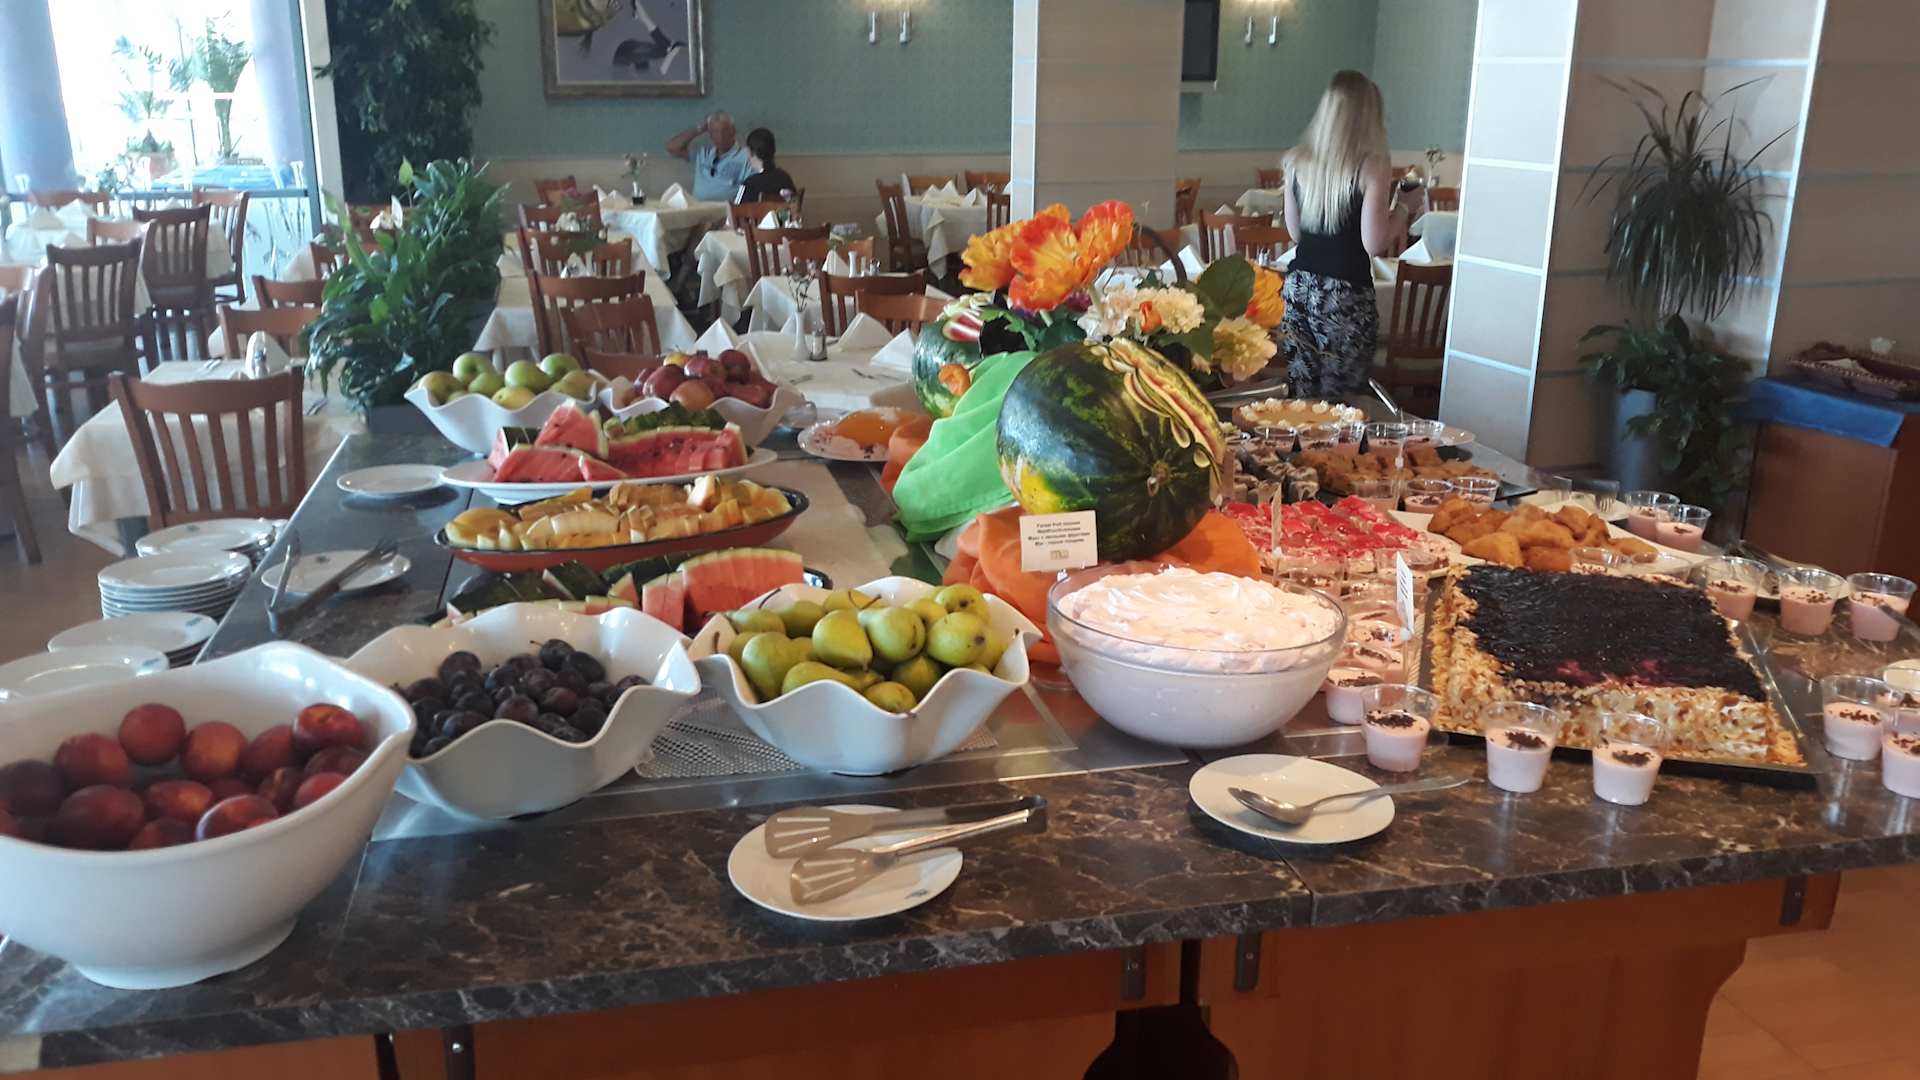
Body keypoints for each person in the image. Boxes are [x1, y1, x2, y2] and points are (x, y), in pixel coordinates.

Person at [1280, 70, 1425, 398]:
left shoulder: (1296, 161)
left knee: (1301, 398)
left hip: (1300, 288)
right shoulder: (1372, 165)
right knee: (1341, 402)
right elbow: (1373, 243)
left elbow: (1295, 233)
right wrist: (1404, 207)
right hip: (1344, 294)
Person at [666, 110, 750, 202]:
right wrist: (699, 129)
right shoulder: (703, 152)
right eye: (715, 131)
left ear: (733, 131)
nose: (720, 136)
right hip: (698, 206)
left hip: (725, 208)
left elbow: (750, 189)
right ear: (710, 134)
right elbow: (672, 148)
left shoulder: (746, 156)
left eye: (725, 131)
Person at [735, 128, 795, 205]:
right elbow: (794, 205)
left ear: (751, 152)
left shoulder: (750, 185)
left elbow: (737, 210)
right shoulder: (785, 178)